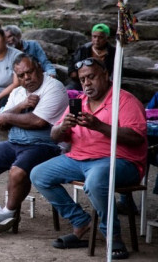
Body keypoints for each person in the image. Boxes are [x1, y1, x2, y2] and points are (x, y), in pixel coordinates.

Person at [30, 57, 147, 259]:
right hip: (78, 158)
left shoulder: (125, 100)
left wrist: (99, 126)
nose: (86, 83)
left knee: (95, 181)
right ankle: (81, 221)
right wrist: (62, 127)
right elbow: (55, 136)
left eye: (91, 77)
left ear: (106, 75)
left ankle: (112, 235)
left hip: (120, 161)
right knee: (39, 174)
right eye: (83, 80)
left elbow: (137, 138)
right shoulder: (79, 102)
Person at [0, 54, 68, 236]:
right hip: (15, 142)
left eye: (29, 72)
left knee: (18, 171)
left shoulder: (54, 87)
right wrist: (20, 106)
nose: (26, 78)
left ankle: (9, 213)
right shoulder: (18, 93)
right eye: (21, 76)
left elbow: (38, 121)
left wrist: (8, 116)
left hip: (45, 145)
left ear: (39, 67)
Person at [66, 23, 115, 90]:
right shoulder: (83, 49)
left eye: (100, 37)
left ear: (107, 38)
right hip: (81, 82)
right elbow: (72, 61)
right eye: (94, 37)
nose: (97, 40)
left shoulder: (113, 52)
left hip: (102, 84)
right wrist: (73, 72)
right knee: (68, 91)